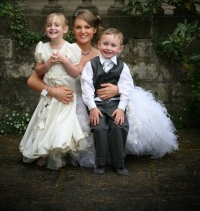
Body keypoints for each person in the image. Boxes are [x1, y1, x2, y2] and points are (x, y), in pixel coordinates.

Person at [26, 9, 178, 169]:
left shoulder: (104, 51)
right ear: (71, 29)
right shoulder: (64, 49)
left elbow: (123, 78)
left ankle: (117, 150)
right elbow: (32, 80)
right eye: (78, 27)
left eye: (87, 27)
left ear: (94, 30)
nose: (83, 31)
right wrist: (52, 91)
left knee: (125, 117)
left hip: (100, 101)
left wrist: (117, 89)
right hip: (72, 100)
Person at [19, 12, 87, 170]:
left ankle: (58, 154)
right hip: (50, 95)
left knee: (60, 124)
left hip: (66, 95)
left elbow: (76, 73)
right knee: (43, 122)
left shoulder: (71, 49)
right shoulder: (42, 48)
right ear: (45, 29)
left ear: (65, 29)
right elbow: (38, 72)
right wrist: (48, 63)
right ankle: (43, 152)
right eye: (49, 25)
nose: (52, 27)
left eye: (57, 25)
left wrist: (64, 59)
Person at [81, 28, 134, 175]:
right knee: (99, 128)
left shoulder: (123, 67)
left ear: (120, 49)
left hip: (116, 104)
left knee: (119, 126)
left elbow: (127, 88)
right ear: (98, 44)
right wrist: (92, 107)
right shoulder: (91, 65)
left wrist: (121, 109)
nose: (108, 48)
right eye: (105, 44)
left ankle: (119, 163)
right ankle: (101, 163)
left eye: (113, 45)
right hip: (97, 104)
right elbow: (86, 87)